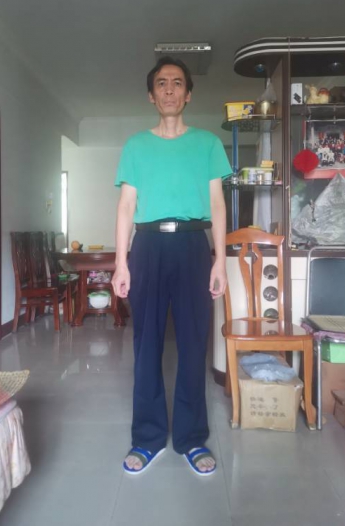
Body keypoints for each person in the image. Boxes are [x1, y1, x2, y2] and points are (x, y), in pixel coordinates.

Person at [112, 56, 232, 476]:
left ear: (188, 94)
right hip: (147, 246)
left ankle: (191, 438)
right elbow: (126, 207)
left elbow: (217, 204)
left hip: (193, 246)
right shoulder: (135, 146)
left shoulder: (208, 144)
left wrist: (219, 260)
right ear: (151, 95)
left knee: (194, 343)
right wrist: (121, 263)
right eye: (161, 83)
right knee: (146, 344)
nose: (169, 89)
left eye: (177, 83)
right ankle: (147, 438)